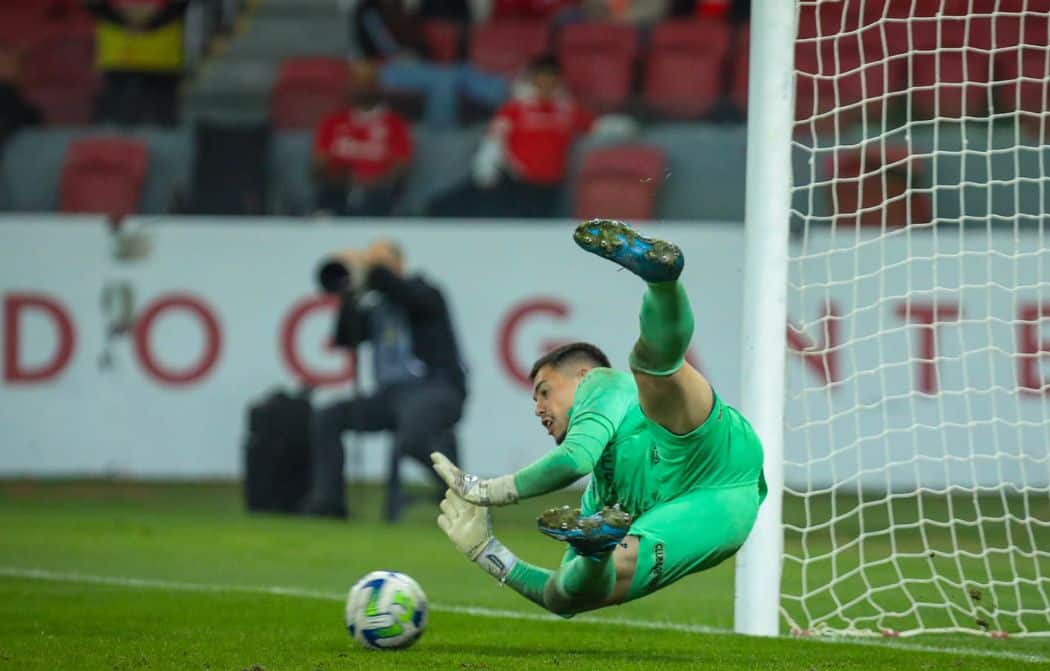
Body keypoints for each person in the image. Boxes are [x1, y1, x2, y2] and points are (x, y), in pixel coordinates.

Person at [431, 219, 766, 616]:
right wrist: (487, 552)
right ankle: (596, 553)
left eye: (545, 390)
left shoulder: (605, 386)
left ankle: (662, 282)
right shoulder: (599, 500)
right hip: (715, 510)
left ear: (583, 377)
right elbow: (558, 599)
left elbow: (575, 460)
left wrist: (484, 490)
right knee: (575, 587)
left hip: (708, 456)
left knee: (651, 369)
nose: (538, 407)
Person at [303, 239, 467, 519]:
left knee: (413, 432)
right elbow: (345, 337)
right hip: (389, 396)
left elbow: (406, 295)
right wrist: (348, 294)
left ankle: (458, 489)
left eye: (380, 263)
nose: (373, 271)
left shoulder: (426, 291)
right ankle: (328, 502)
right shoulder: (377, 307)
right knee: (328, 417)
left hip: (435, 388)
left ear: (399, 264)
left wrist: (371, 269)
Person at [430, 55, 593, 218]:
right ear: (532, 80)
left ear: (558, 82)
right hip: (513, 180)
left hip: (547, 186)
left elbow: (597, 127)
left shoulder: (569, 111)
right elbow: (494, 139)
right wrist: (485, 168)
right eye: (541, 80)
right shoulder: (515, 109)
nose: (546, 86)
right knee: (446, 207)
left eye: (551, 81)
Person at [354, 0, 507, 128]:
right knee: (443, 79)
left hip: (422, 65)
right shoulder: (368, 11)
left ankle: (507, 125)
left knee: (489, 82)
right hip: (384, 68)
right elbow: (388, 48)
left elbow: (421, 40)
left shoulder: (403, 6)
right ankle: (441, 136)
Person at [82, 0, 190, 126]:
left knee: (162, 121)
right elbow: (93, 3)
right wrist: (138, 23)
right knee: (121, 122)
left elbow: (181, 4)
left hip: (161, 58)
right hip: (120, 58)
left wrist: (139, 24)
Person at [311, 62, 414, 217]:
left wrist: (375, 181)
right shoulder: (332, 122)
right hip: (337, 191)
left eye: (366, 82)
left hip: (379, 194)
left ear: (377, 86)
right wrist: (342, 179)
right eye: (356, 82)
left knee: (378, 199)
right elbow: (319, 164)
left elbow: (401, 166)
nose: (361, 88)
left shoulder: (395, 125)